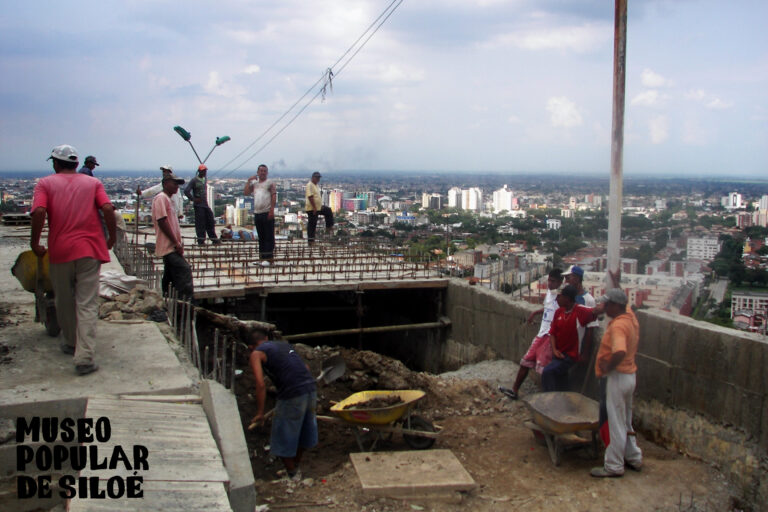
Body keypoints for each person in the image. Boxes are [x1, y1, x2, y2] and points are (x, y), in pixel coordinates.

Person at [30, 145, 116, 376]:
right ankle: (85, 357)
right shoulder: (93, 184)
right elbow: (107, 207)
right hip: (90, 249)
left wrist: (35, 242)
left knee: (64, 299)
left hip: (61, 251)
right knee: (87, 303)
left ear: (55, 164)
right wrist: (113, 236)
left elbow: (38, 212)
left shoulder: (45, 184)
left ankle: (70, 343)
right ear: (77, 164)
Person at [247, 327, 317, 482]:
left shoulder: (256, 353)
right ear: (266, 338)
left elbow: (260, 384)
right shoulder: (283, 345)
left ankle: (292, 474)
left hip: (291, 394)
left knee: (282, 435)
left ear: (251, 346)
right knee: (303, 433)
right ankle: (295, 468)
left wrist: (260, 413)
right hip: (310, 389)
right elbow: (305, 367)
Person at [590, 288, 643, 477]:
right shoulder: (630, 317)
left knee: (615, 422)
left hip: (617, 376)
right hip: (629, 375)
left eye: (606, 304)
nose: (603, 307)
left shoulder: (619, 326)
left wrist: (607, 367)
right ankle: (633, 457)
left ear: (615, 305)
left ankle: (614, 465)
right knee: (626, 420)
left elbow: (619, 351)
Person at [500, 268, 563, 400]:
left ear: (560, 282)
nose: (550, 283)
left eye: (553, 281)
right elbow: (548, 308)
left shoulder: (561, 297)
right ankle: (515, 390)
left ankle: (550, 399)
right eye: (549, 280)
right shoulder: (550, 294)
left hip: (549, 336)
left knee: (545, 369)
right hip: (541, 334)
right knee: (526, 362)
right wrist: (536, 313)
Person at [541, 284, 596, 392]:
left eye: (560, 296)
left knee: (548, 372)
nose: (557, 299)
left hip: (570, 355)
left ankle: (550, 401)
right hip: (558, 353)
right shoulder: (559, 312)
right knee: (561, 380)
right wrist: (555, 350)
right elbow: (552, 333)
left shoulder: (580, 311)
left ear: (567, 299)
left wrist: (585, 353)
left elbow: (593, 319)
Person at [152, 172, 194, 300]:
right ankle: (184, 306)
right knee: (184, 271)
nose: (177, 187)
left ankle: (166, 299)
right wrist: (176, 242)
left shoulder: (167, 199)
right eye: (174, 183)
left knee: (170, 276)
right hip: (169, 246)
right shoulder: (161, 198)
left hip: (171, 246)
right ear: (165, 184)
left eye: (178, 184)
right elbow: (162, 221)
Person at [244, 164, 276, 264]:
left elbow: (273, 196)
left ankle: (268, 258)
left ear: (267, 173)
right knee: (261, 237)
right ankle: (262, 258)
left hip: (267, 212)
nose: (262, 173)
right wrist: (249, 180)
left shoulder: (270, 183)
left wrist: (271, 210)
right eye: (261, 171)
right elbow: (246, 193)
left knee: (268, 236)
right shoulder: (255, 184)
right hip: (257, 213)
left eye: (264, 171)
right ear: (258, 172)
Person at [184, 164, 220, 245]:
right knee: (200, 223)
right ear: (199, 171)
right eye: (203, 171)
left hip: (205, 204)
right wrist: (193, 199)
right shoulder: (194, 180)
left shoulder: (204, 179)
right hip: (199, 205)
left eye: (205, 171)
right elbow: (186, 191)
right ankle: (201, 240)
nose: (204, 172)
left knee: (210, 221)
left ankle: (213, 238)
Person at [305, 171, 333, 244]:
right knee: (312, 225)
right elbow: (310, 197)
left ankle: (329, 227)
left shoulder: (316, 185)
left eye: (319, 178)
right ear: (313, 178)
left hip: (318, 208)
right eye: (317, 178)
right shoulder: (309, 185)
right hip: (312, 209)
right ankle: (311, 241)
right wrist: (314, 208)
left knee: (328, 211)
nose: (318, 179)